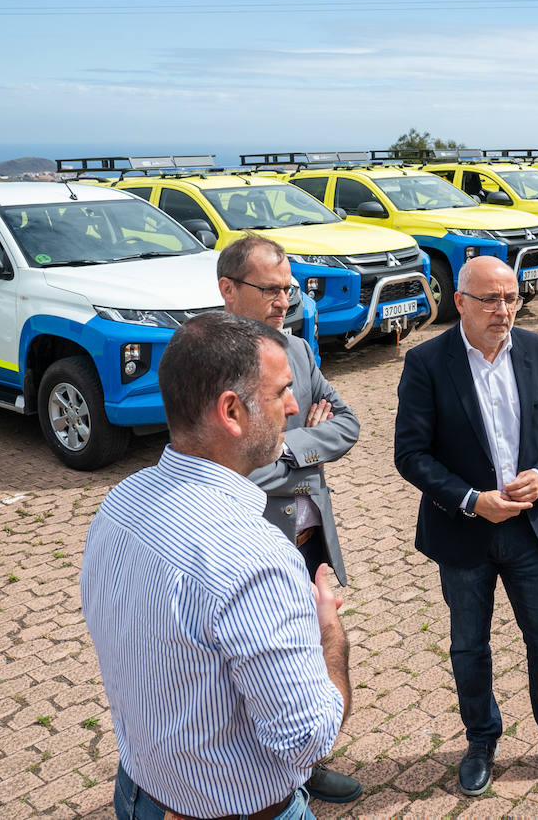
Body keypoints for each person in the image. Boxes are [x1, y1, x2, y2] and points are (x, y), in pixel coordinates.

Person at [83, 312, 350, 820]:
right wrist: (329, 640)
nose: (293, 408)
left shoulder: (120, 503)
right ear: (232, 411)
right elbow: (307, 738)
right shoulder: (252, 556)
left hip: (139, 789)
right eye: (280, 393)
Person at [393, 256, 538, 798]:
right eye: (489, 299)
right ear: (459, 301)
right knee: (470, 646)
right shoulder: (426, 363)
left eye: (510, 298)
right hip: (464, 531)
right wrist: (469, 500)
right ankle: (481, 739)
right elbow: (411, 454)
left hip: (532, 528)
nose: (503, 310)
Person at [217, 234, 363, 804]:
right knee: (254, 658)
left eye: (288, 288)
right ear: (229, 290)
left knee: (312, 641)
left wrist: (280, 444)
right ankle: (261, 778)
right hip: (248, 530)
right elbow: (223, 462)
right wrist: (302, 443)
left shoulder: (299, 351)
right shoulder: (210, 358)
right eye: (270, 290)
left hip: (304, 525)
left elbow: (347, 424)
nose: (284, 300)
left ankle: (305, 764)